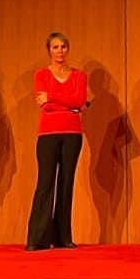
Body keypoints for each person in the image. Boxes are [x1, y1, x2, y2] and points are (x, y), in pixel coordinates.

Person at [26, 32, 88, 251]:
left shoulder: (79, 76)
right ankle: (37, 238)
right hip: (48, 134)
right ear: (49, 51)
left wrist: (52, 96)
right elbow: (45, 106)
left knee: (66, 183)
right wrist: (70, 106)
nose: (60, 51)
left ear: (67, 49)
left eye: (63, 47)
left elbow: (79, 100)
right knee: (45, 183)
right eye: (55, 47)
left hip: (73, 134)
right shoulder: (41, 75)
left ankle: (63, 237)